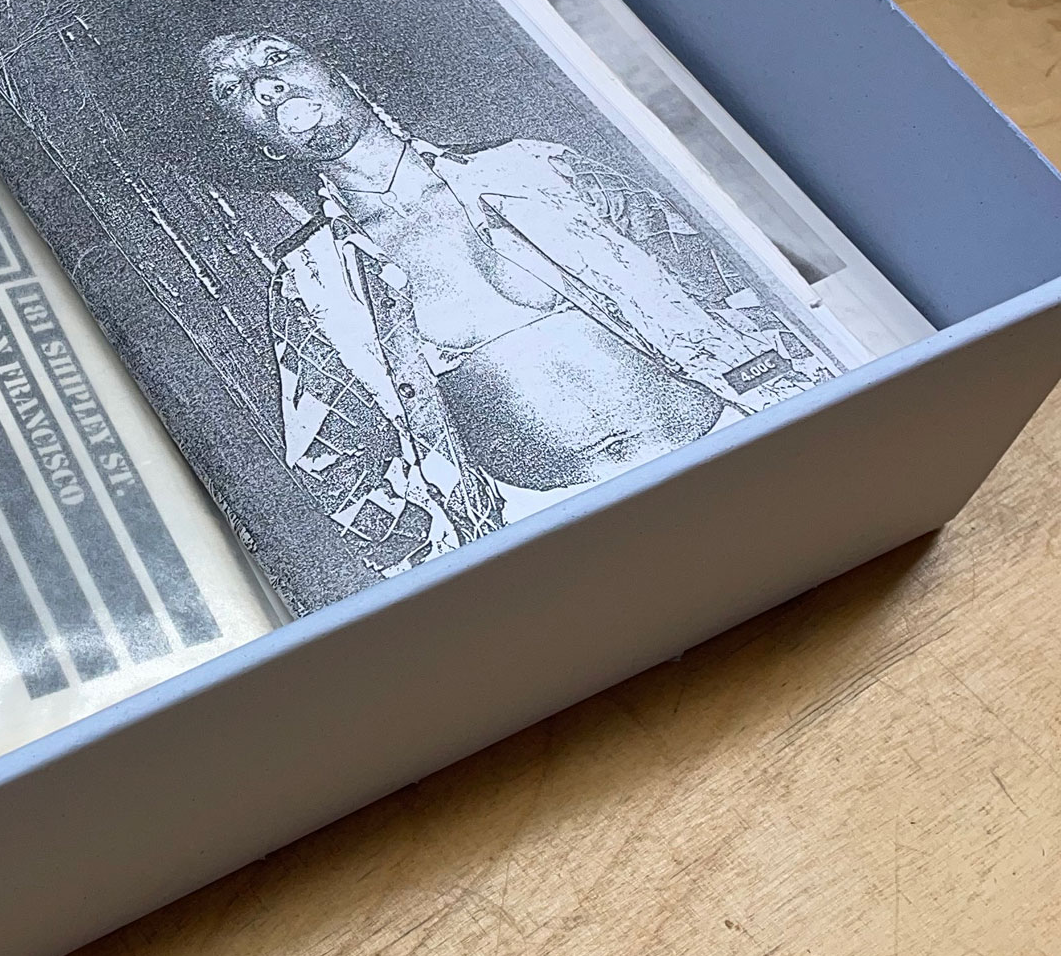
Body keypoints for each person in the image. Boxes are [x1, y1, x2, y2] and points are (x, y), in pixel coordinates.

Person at [196, 31, 834, 578]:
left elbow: (727, 279)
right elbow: (331, 459)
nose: (265, 85)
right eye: (234, 90)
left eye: (274, 56)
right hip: (561, 531)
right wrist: (446, 569)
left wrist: (809, 399)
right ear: (264, 147)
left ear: (341, 71)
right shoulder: (312, 281)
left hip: (733, 442)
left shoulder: (540, 168)